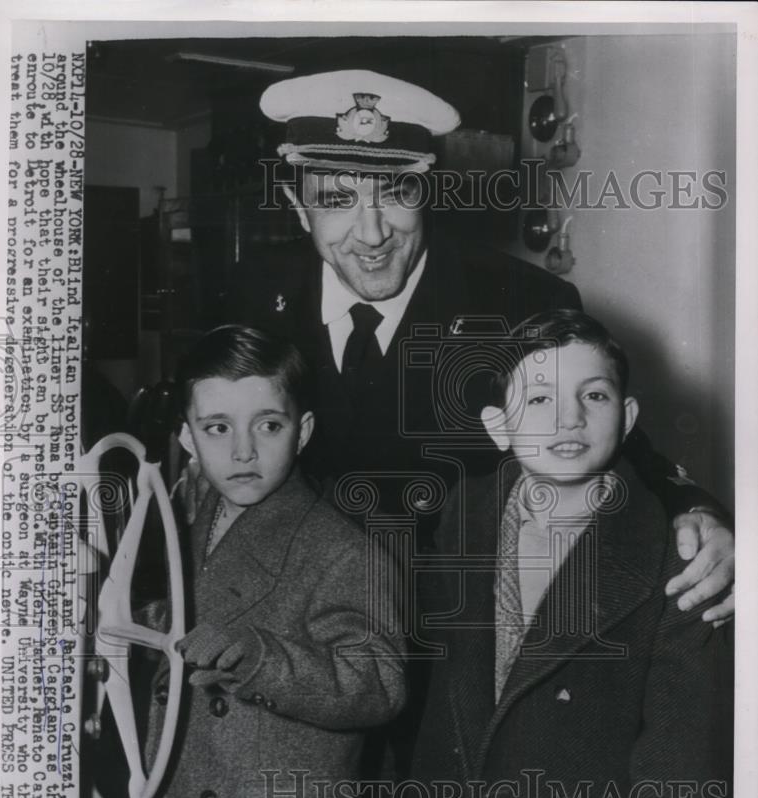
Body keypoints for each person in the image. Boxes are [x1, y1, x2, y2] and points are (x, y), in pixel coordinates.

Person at [217, 68, 734, 626]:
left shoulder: (520, 298)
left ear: (427, 191)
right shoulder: (254, 293)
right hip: (297, 617)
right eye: (337, 199)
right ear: (298, 206)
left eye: (395, 193)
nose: (371, 234)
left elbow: (601, 441)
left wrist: (694, 509)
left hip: (453, 626)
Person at [392, 310, 732, 798]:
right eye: (539, 398)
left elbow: (679, 764)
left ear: (628, 418)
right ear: (499, 427)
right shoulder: (459, 519)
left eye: (593, 396)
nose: (567, 419)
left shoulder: (677, 557)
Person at [129, 325, 407, 798]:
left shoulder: (344, 550)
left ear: (303, 431)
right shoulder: (193, 528)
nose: (244, 450)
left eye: (269, 426)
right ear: (187, 438)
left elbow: (378, 683)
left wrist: (261, 657)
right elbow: (187, 620)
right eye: (218, 428)